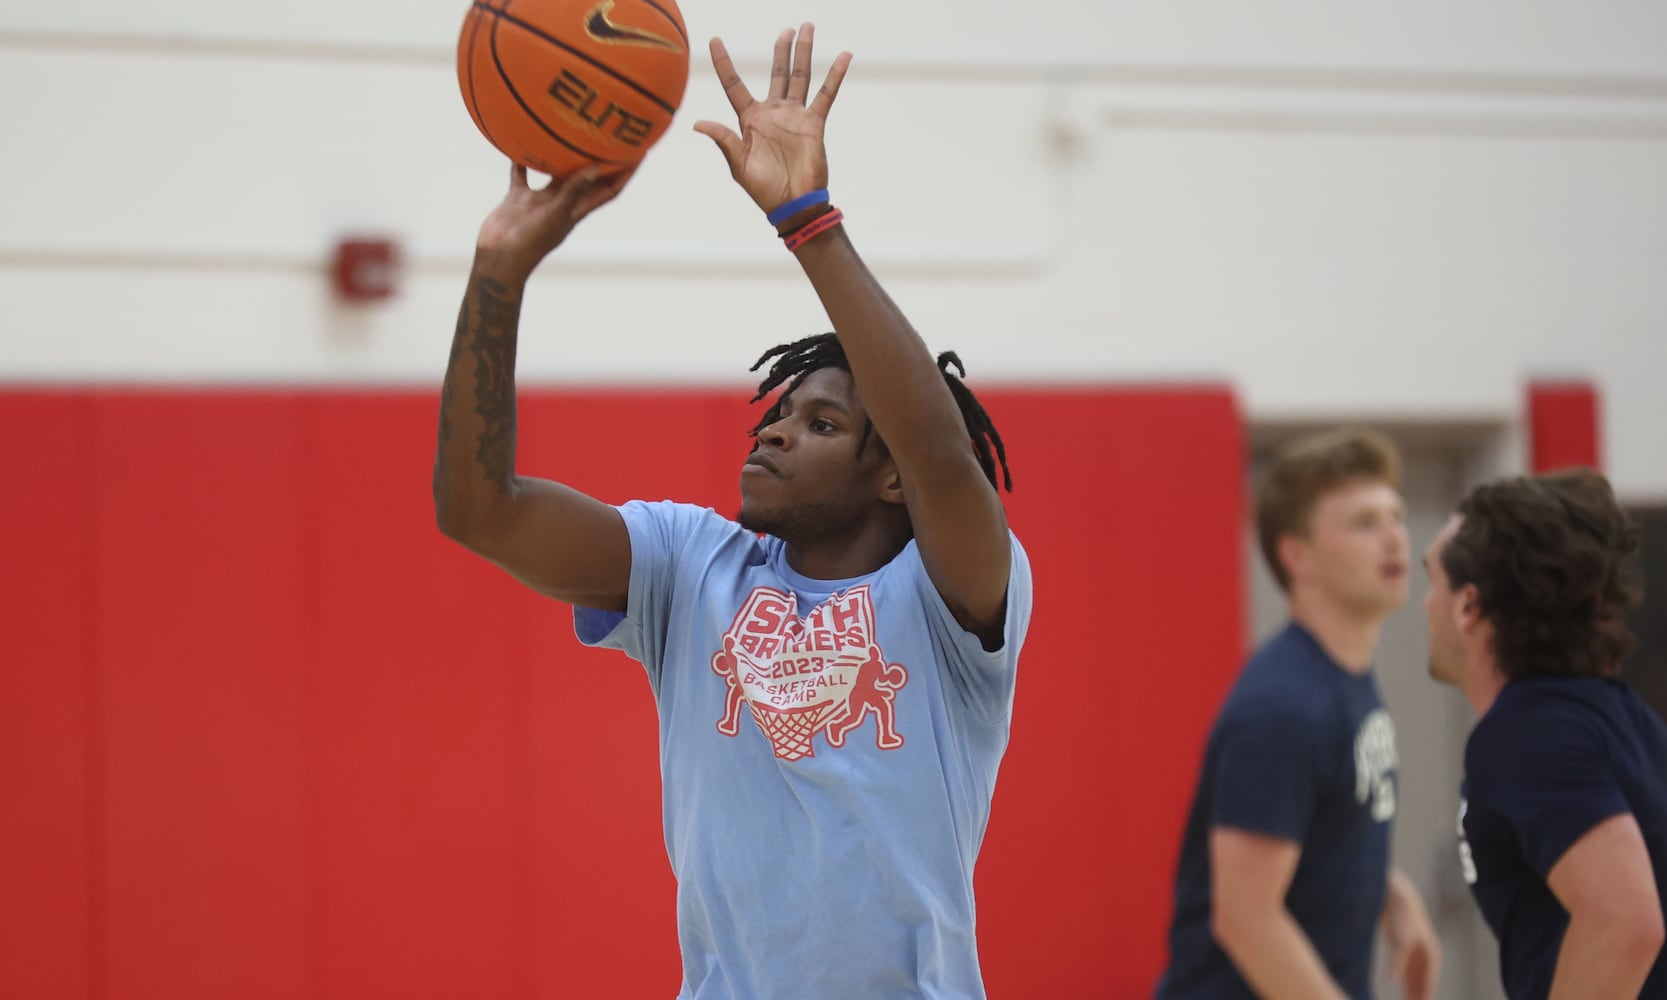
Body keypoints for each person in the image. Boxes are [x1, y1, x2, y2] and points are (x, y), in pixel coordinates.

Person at [431, 23, 1032, 1000]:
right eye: (779, 413)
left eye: (823, 420)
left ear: (889, 480)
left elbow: (938, 453)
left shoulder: (950, 594)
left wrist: (807, 220)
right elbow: (478, 512)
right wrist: (498, 272)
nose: (774, 433)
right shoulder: (689, 567)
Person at [1155, 428, 1441, 1000]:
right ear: (1297, 555)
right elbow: (1246, 920)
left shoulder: (1345, 677)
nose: (1395, 538)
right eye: (1365, 522)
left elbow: (1320, 825)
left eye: (1396, 515)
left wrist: (1391, 893)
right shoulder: (1281, 707)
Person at [1424, 468, 1666, 998]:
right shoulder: (1613, 713)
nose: (1424, 604)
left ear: (1468, 605)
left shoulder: (1527, 736)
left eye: (1431, 581)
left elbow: (1626, 921)